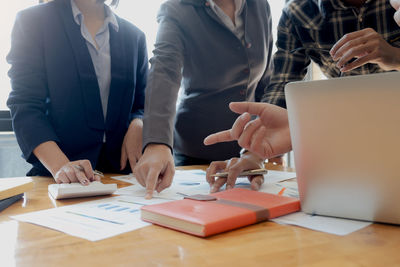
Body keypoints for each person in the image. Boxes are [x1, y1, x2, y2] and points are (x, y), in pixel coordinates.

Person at [134, 0, 274, 199]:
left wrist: (261, 147)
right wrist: (157, 143)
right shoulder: (178, 9)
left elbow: (266, 83)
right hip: (194, 154)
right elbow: (164, 72)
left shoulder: (259, 5)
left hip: (247, 154)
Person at [7, 0, 148, 184]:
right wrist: (62, 167)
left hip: (121, 179)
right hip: (57, 178)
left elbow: (143, 104)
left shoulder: (134, 36)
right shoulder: (33, 22)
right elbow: (25, 106)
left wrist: (138, 123)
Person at [263, 0, 400, 108]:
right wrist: (264, 125)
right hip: (348, 123)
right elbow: (283, 84)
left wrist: (396, 57)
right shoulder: (297, 11)